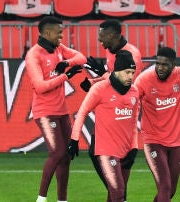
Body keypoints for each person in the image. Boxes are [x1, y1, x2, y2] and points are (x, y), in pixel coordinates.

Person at [79, 19, 143, 201]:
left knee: (108, 157)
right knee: (96, 152)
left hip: (123, 110)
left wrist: (101, 74)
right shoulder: (111, 52)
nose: (101, 43)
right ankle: (118, 193)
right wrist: (92, 83)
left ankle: (118, 193)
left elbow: (128, 85)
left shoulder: (132, 54)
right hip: (109, 108)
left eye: (102, 38)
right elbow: (111, 79)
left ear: (112, 35)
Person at [24, 16, 86, 202]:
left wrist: (67, 63)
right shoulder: (34, 55)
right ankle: (41, 198)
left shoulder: (58, 48)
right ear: (48, 33)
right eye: (59, 32)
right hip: (44, 112)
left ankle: (62, 200)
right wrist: (65, 77)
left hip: (61, 111)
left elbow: (81, 57)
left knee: (66, 156)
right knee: (57, 153)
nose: (62, 35)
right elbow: (40, 86)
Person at [67, 50, 139, 202]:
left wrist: (134, 148)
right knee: (118, 193)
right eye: (127, 72)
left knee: (116, 195)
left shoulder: (134, 92)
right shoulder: (100, 89)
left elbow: (133, 124)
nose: (131, 76)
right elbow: (82, 113)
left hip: (126, 151)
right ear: (117, 71)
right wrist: (74, 140)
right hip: (106, 151)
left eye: (133, 72)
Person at [134, 47, 180, 202]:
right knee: (164, 187)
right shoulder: (144, 79)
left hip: (175, 142)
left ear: (173, 64)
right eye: (158, 63)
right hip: (152, 141)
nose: (160, 68)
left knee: (170, 190)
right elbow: (131, 102)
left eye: (164, 64)